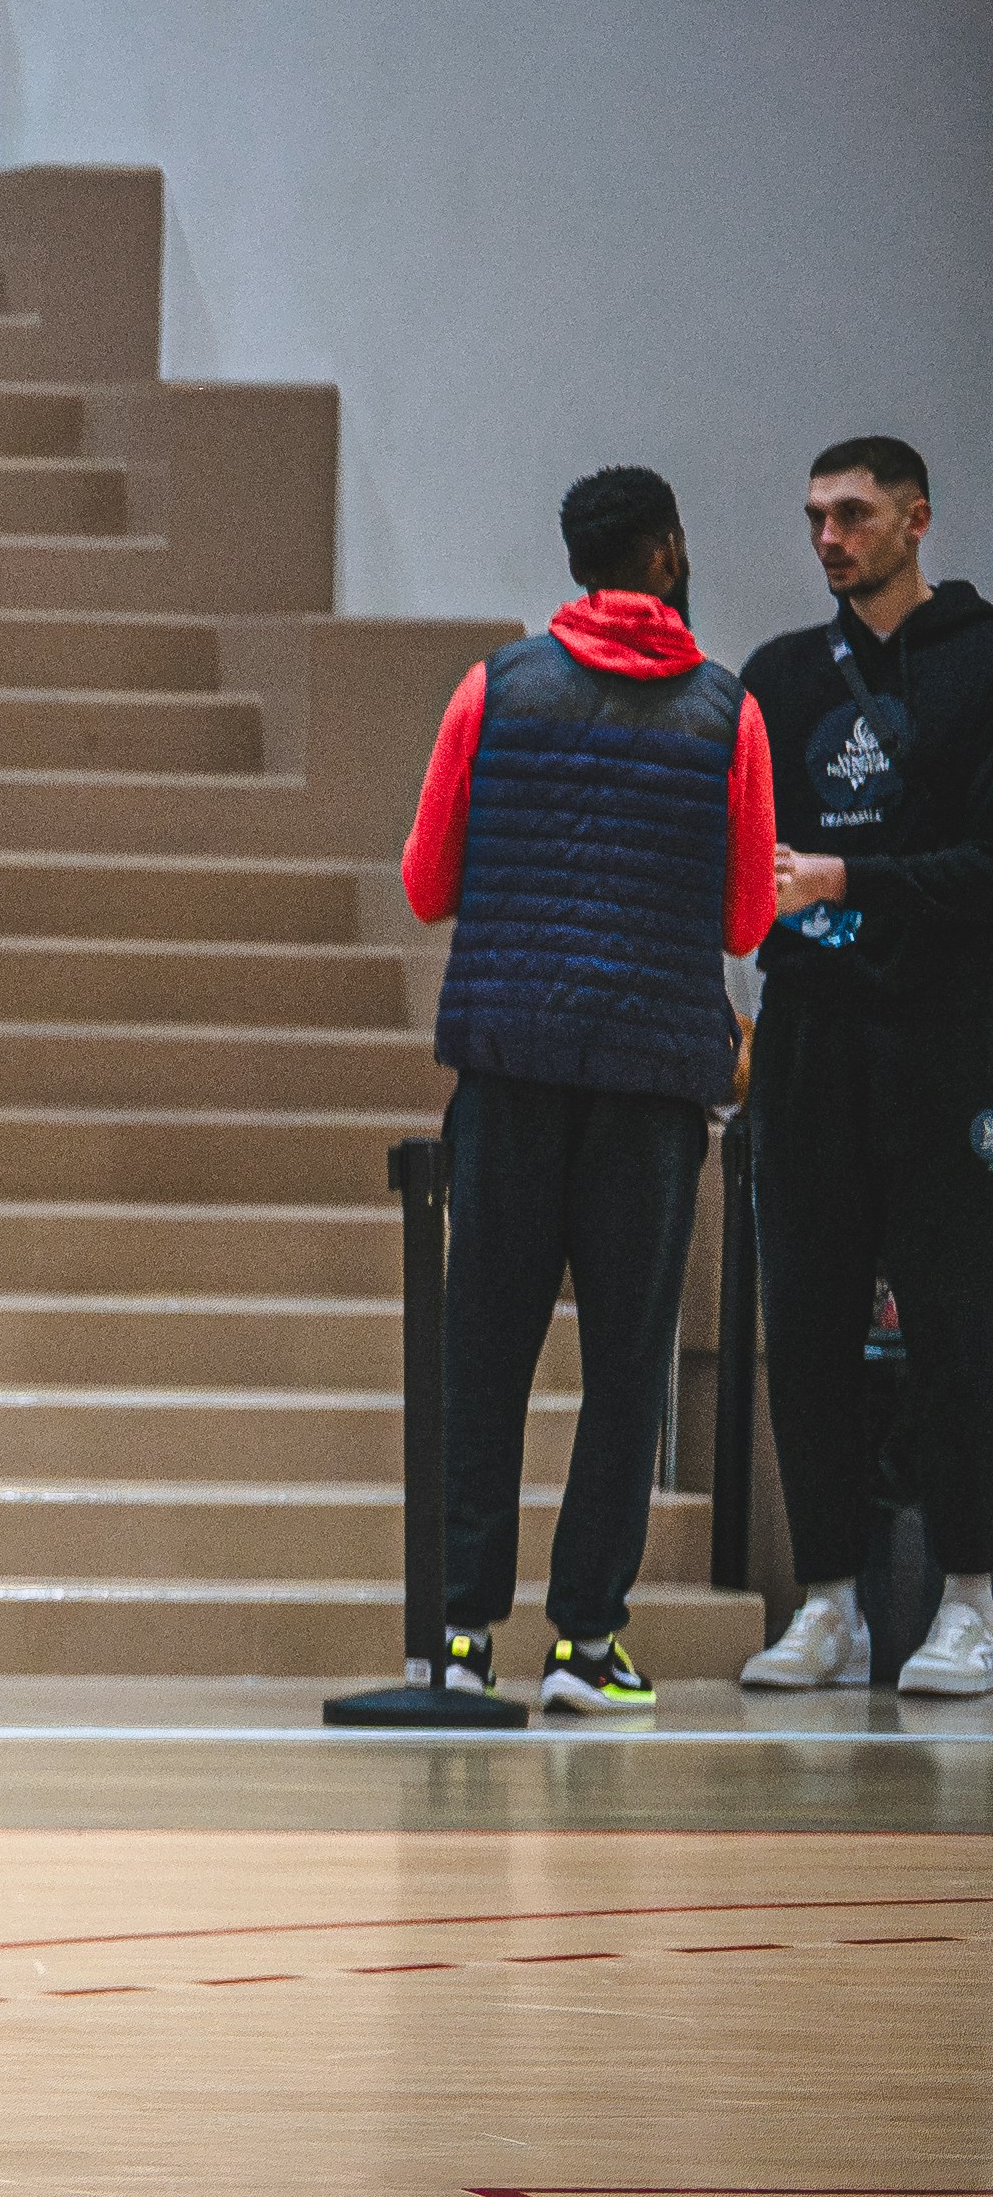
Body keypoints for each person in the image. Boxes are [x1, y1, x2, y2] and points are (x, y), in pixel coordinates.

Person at [397, 467, 773, 1715]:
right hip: (651, 1086)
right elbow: (741, 914)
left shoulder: (491, 688)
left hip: (508, 1068)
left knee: (483, 1360)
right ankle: (585, 1642)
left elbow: (424, 882)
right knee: (625, 1369)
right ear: (668, 552)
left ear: (575, 565)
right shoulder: (732, 713)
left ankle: (457, 1637)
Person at [734, 438, 993, 1699]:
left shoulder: (985, 663)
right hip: (809, 1037)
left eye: (852, 514)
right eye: (813, 517)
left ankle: (968, 1600)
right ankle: (827, 1603)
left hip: (949, 1039)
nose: (828, 537)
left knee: (956, 1323)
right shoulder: (777, 676)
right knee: (811, 1322)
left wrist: (846, 879)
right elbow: (742, 866)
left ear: (917, 521)